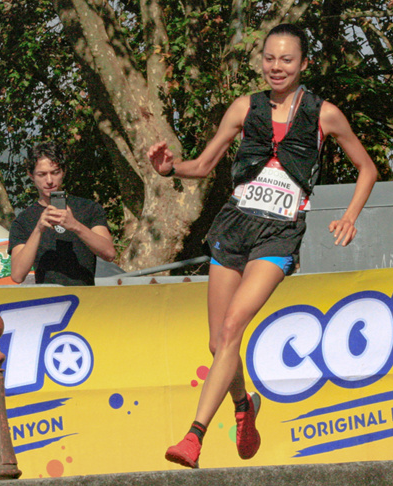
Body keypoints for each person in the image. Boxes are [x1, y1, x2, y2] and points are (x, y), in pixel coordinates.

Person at [148, 23, 378, 468]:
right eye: (270, 58)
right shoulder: (244, 107)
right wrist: (168, 169)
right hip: (234, 226)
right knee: (220, 344)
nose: (276, 67)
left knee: (234, 326)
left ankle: (193, 438)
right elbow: (203, 164)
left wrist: (349, 217)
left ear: (304, 63)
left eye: (286, 59)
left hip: (279, 232)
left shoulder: (324, 114)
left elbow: (366, 168)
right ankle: (243, 407)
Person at [8, 142, 116, 286]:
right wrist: (38, 229)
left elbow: (109, 253)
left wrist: (75, 226)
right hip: (47, 303)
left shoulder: (88, 208)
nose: (49, 181)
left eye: (55, 172)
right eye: (42, 174)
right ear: (31, 176)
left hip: (85, 300)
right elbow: (17, 275)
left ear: (63, 171)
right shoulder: (23, 220)